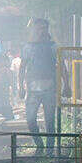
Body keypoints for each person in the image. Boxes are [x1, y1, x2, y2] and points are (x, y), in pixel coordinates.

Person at [19, 18, 58, 155]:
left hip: (49, 89)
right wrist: (20, 87)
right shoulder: (28, 47)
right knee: (30, 120)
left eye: (44, 28)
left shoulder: (53, 46)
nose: (41, 31)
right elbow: (22, 68)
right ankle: (39, 145)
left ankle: (49, 150)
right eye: (39, 28)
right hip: (33, 90)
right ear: (34, 30)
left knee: (50, 121)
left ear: (47, 29)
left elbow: (61, 66)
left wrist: (67, 86)